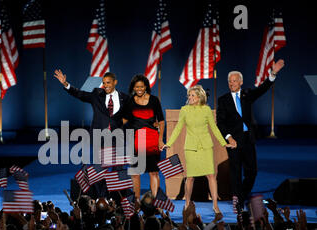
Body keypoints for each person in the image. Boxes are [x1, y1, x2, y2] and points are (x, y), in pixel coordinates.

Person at [216, 59, 285, 209]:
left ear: (240, 82)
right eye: (229, 81)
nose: (231, 83)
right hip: (233, 141)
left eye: (234, 81)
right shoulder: (223, 100)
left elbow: (262, 89)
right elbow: (220, 122)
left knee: (252, 172)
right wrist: (229, 137)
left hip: (248, 139)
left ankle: (241, 195)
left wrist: (273, 74)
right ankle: (238, 200)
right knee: (235, 172)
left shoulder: (247, 94)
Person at [54, 69, 130, 197]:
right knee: (100, 168)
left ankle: (118, 198)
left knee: (118, 169)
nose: (105, 85)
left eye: (108, 83)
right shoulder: (97, 94)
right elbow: (80, 94)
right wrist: (66, 84)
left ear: (115, 82)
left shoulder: (124, 98)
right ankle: (101, 198)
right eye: (104, 83)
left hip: (118, 137)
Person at [165, 85, 232, 214]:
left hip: (205, 147)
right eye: (189, 95)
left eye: (192, 96)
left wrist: (224, 143)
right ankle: (187, 203)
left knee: (211, 176)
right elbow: (178, 128)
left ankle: (215, 205)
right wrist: (169, 143)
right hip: (190, 148)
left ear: (199, 97)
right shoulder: (184, 110)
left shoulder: (206, 110)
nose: (190, 98)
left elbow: (214, 128)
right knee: (190, 177)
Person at [122, 74, 165, 201]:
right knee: (135, 173)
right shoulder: (130, 102)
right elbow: (124, 119)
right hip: (135, 141)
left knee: (154, 172)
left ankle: (154, 202)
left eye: (141, 86)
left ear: (146, 86)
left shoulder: (154, 100)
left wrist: (160, 139)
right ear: (133, 88)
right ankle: (136, 202)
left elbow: (161, 121)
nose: (139, 89)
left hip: (152, 140)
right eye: (136, 87)